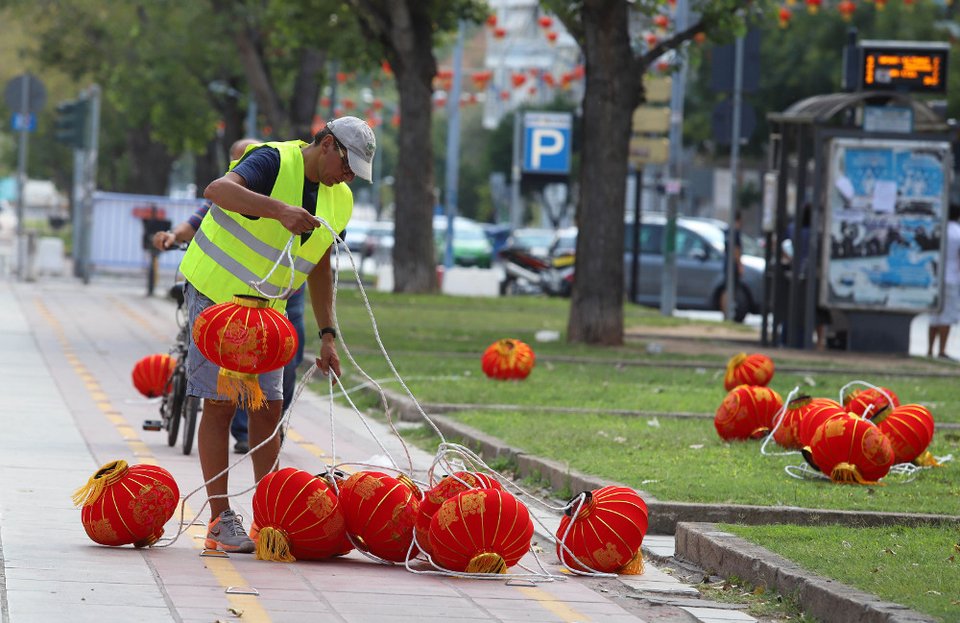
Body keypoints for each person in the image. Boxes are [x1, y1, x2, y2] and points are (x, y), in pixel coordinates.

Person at [179, 116, 375, 553]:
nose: (347, 178)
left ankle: (271, 517)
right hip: (217, 299)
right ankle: (218, 519)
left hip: (269, 312)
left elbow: (321, 264)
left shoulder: (339, 200)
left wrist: (327, 332)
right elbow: (217, 191)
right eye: (346, 167)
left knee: (269, 409)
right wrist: (279, 210)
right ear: (327, 144)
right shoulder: (272, 160)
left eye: (354, 175)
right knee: (221, 404)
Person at [154, 137, 306, 454]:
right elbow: (192, 223)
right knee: (221, 390)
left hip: (275, 296)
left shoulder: (279, 191)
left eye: (247, 160)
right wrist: (171, 237)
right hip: (219, 297)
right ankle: (239, 436)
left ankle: (251, 436)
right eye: (237, 162)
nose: (242, 167)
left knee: (273, 375)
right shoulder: (225, 197)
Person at [927, 202, 960, 360]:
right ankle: (942, 350)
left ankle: (929, 349)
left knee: (934, 315)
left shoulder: (938, 230)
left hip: (936, 278)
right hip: (952, 278)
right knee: (947, 316)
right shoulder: (957, 233)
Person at [719, 211, 743, 319]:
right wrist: (740, 265)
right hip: (732, 264)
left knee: (726, 289)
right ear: (739, 219)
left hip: (726, 263)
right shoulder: (736, 232)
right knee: (731, 289)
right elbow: (736, 250)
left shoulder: (727, 231)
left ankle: (725, 313)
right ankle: (727, 314)